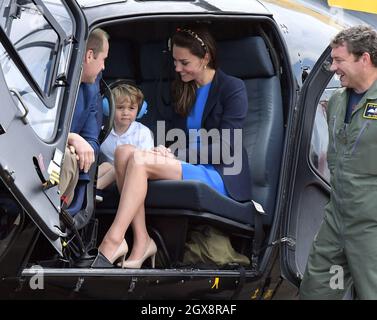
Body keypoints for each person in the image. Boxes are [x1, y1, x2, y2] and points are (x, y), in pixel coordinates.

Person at [91, 26, 251, 268]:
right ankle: (142, 240)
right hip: (184, 161)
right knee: (124, 152)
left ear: (205, 57)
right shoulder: (183, 87)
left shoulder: (232, 88)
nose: (177, 68)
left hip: (219, 171)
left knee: (139, 160)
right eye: (175, 61)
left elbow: (226, 146)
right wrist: (163, 149)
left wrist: (172, 153)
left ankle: (114, 239)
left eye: (184, 62)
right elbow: (173, 136)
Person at [299, 25, 377, 299]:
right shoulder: (336, 101)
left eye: (339, 60)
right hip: (336, 219)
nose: (333, 67)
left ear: (364, 59)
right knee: (318, 290)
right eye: (332, 60)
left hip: (371, 224)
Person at [59, 28, 109, 214]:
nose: (104, 67)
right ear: (89, 55)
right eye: (103, 59)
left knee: (69, 158)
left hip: (68, 172)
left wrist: (78, 146)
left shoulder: (91, 91)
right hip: (30, 160)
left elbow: (92, 143)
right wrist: (71, 138)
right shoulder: (48, 77)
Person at [97, 83, 154, 191]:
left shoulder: (143, 132)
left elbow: (146, 161)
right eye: (120, 108)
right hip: (110, 173)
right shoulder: (102, 131)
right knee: (105, 165)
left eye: (131, 108)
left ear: (139, 110)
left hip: (134, 175)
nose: (126, 113)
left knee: (117, 167)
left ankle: (95, 189)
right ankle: (86, 185)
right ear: (108, 108)